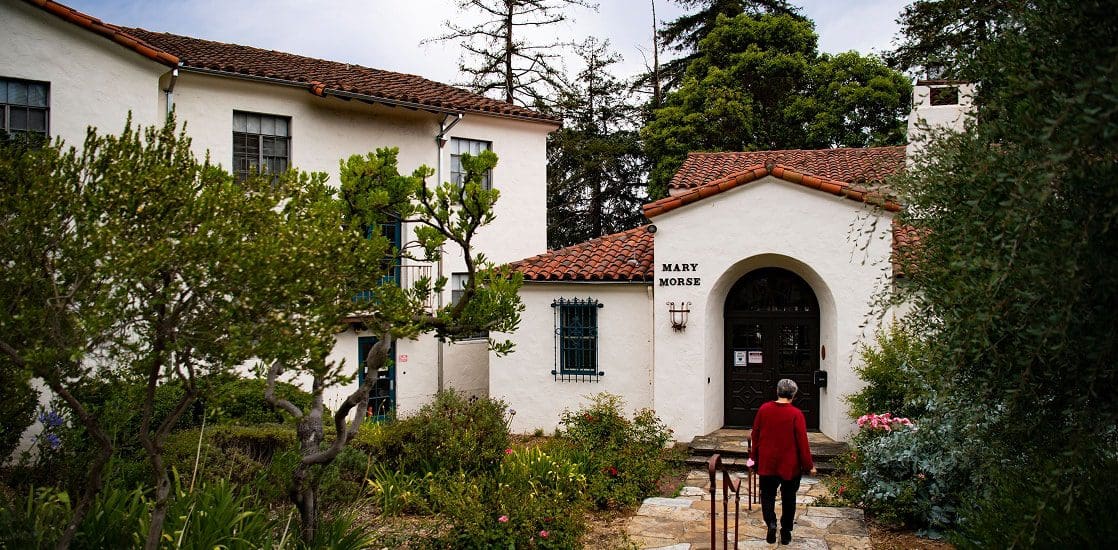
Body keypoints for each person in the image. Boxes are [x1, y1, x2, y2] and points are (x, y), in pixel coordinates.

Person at [749, 378, 816, 545]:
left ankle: (771, 523)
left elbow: (755, 436)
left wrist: (752, 459)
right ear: (793, 394)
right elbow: (802, 442)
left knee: (767, 495)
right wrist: (809, 465)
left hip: (767, 462)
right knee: (789, 498)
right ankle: (785, 531)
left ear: (777, 392)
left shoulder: (764, 409)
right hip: (790, 465)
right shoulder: (796, 414)